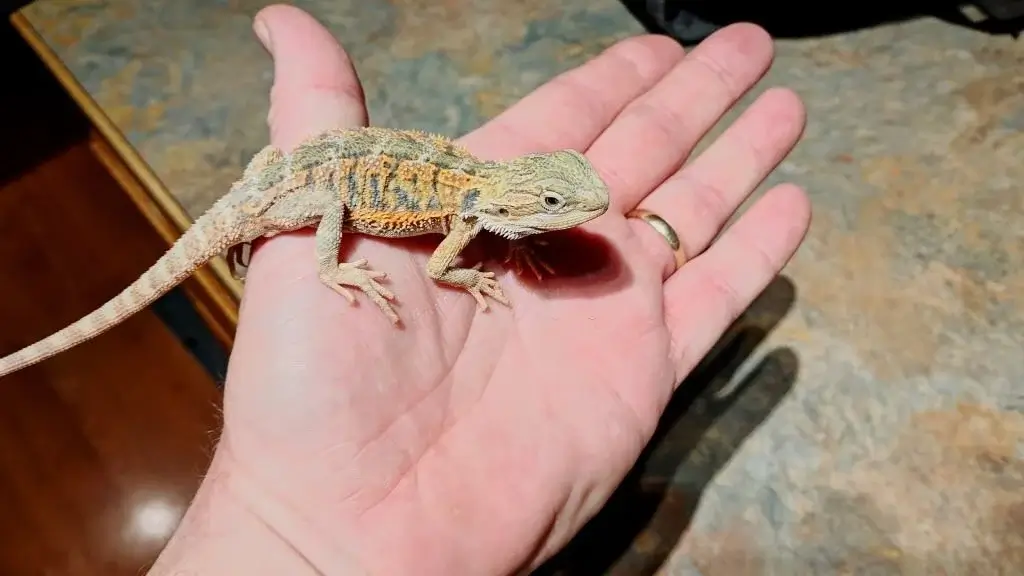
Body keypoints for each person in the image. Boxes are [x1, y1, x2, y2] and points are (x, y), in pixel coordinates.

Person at [147, 4, 810, 575]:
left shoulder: (481, 193)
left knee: (300, 184)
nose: (576, 209)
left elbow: (510, 218)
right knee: (328, 206)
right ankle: (321, 262)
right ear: (522, 196)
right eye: (553, 201)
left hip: (272, 178)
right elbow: (438, 269)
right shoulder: (465, 217)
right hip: (295, 195)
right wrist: (337, 268)